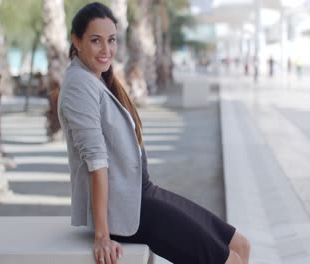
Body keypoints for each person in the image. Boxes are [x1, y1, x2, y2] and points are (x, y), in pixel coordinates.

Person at [57, 3, 250, 264]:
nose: (106, 50)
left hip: (144, 194)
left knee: (240, 244)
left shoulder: (96, 77)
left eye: (111, 40)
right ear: (76, 41)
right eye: (96, 41)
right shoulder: (79, 85)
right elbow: (96, 162)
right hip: (130, 212)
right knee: (231, 261)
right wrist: (102, 235)